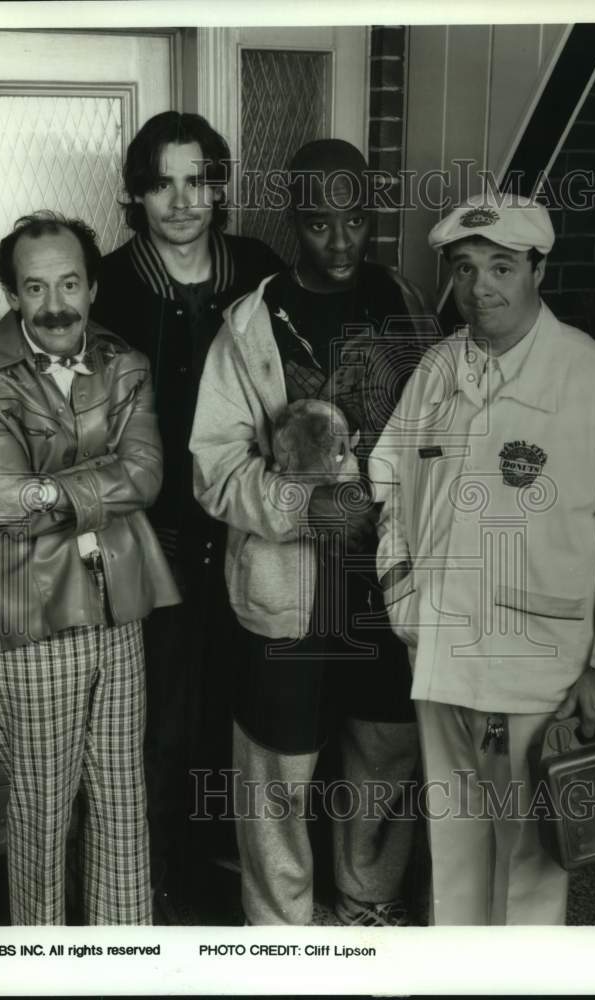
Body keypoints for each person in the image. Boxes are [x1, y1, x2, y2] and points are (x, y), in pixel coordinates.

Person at [369, 195, 595, 925]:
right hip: (441, 657)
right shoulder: (437, 369)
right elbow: (388, 480)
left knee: (528, 866)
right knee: (455, 853)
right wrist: (401, 585)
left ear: (538, 269)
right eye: (464, 269)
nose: (480, 287)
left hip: (540, 674)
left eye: (501, 266)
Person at [190, 139, 439, 925]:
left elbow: (439, 435)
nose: (340, 241)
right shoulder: (250, 324)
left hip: (384, 586)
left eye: (356, 219)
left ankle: (368, 899)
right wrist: (305, 508)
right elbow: (214, 469)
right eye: (321, 222)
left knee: (386, 753)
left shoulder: (405, 303)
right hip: (286, 589)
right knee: (278, 770)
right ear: (293, 219)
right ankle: (281, 926)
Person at [0, 211, 180, 925]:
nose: (55, 305)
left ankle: (123, 957)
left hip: (119, 609)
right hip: (36, 616)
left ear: (91, 286)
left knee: (122, 799)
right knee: (44, 808)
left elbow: (145, 477)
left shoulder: (127, 362)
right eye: (35, 287)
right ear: (13, 293)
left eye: (70, 284)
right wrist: (91, 483)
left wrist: (49, 487)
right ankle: (42, 962)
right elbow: (4, 509)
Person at [90, 112, 283, 915]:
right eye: (162, 182)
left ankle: (224, 862)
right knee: (158, 718)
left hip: (250, 528)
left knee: (240, 708)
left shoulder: (259, 270)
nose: (181, 201)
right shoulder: (112, 283)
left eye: (197, 180)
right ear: (136, 191)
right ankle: (158, 877)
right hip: (152, 538)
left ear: (219, 187)